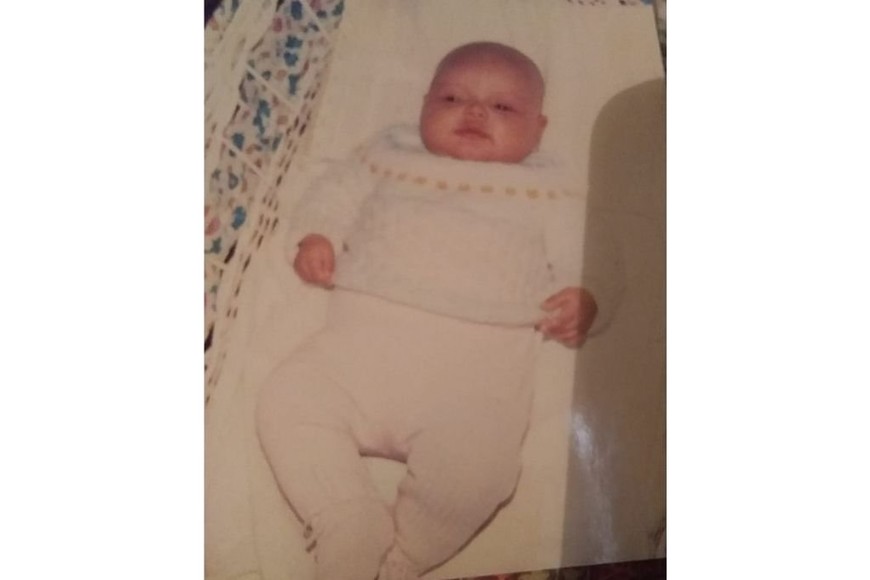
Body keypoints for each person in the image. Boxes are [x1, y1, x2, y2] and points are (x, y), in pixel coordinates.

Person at [257, 41, 608, 580]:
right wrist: (316, 235)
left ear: (538, 128)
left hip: (470, 385)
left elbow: (591, 246)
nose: (474, 112)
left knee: (480, 473)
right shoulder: (390, 153)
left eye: (502, 107)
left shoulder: (550, 188)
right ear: (422, 104)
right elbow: (334, 191)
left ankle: (405, 557)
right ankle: (344, 516)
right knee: (286, 401)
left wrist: (585, 293)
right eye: (452, 98)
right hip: (353, 358)